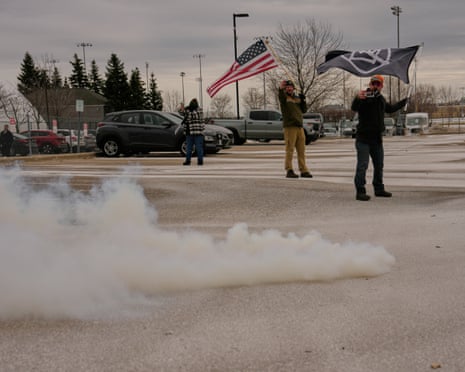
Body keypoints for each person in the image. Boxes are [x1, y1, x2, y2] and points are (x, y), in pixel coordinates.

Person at [351, 75, 407, 201]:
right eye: (373, 84)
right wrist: (358, 98)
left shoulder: (380, 98)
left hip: (376, 139)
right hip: (363, 138)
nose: (375, 86)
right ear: (370, 84)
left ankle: (379, 188)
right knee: (362, 165)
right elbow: (354, 107)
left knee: (379, 164)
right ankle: (360, 191)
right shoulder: (364, 96)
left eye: (378, 84)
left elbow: (390, 108)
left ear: (381, 86)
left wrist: (403, 102)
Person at [278, 80, 312, 178]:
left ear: (293, 88)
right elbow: (280, 95)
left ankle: (303, 170)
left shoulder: (297, 98)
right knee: (290, 149)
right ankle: (289, 169)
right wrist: (280, 88)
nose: (289, 88)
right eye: (287, 87)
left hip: (299, 126)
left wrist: (303, 100)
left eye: (290, 87)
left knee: (301, 150)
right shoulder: (284, 98)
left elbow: (304, 110)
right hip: (290, 127)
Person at [182, 98, 205, 166]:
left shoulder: (197, 111)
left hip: (195, 132)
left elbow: (192, 115)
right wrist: (184, 109)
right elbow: (181, 113)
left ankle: (193, 160)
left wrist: (186, 110)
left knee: (195, 148)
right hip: (192, 132)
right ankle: (192, 160)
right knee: (191, 148)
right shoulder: (199, 111)